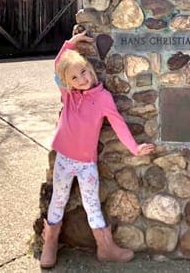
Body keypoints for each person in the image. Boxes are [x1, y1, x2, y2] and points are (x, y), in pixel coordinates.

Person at [40, 31, 156, 268]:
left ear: (90, 69)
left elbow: (119, 125)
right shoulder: (68, 95)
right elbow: (57, 66)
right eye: (74, 77)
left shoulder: (103, 98)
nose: (82, 79)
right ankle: (49, 243)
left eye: (83, 72)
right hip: (64, 159)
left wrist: (134, 148)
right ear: (68, 82)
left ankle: (106, 248)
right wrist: (70, 44)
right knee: (58, 200)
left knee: (91, 205)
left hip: (86, 164)